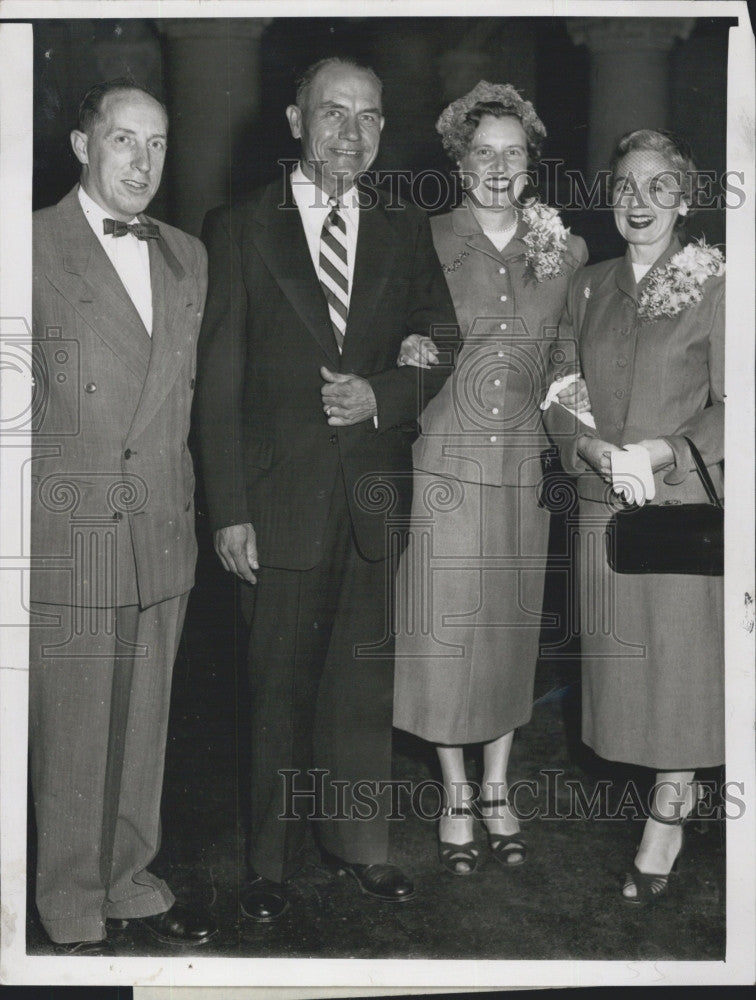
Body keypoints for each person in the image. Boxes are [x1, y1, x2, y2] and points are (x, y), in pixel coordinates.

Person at [195, 57, 458, 922]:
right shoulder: (237, 227)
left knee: (359, 684)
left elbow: (442, 337)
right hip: (277, 502)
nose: (352, 133)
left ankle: (360, 846)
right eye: (334, 113)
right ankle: (267, 865)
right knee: (275, 692)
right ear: (294, 119)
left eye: (371, 117)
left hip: (373, 495)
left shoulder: (401, 223)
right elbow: (218, 384)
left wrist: (385, 390)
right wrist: (229, 509)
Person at [29, 79, 216, 954]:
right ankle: (67, 895)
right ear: (82, 145)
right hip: (78, 521)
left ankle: (126, 869)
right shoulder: (27, 243)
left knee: (145, 719)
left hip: (163, 525)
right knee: (74, 726)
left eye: (157, 143)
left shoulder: (187, 253)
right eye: (123, 141)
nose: (141, 161)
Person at [392, 81, 588, 875]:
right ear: (459, 161)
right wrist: (402, 350)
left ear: (531, 161)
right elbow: (395, 327)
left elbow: (568, 353)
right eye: (484, 152)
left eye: (514, 152)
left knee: (509, 634)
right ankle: (455, 793)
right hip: (444, 462)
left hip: (523, 468)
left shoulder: (565, 249)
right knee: (445, 638)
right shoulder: (423, 238)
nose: (499, 166)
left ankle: (499, 787)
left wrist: (584, 424)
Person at [543, 129, 724, 905]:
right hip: (602, 508)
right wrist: (588, 450)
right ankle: (666, 794)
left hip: (679, 508)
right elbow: (558, 387)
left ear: (684, 200)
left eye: (657, 187)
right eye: (624, 187)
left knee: (680, 673)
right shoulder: (590, 285)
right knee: (628, 678)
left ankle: (668, 816)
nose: (638, 202)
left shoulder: (718, 284)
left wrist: (667, 451)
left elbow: (736, 409)